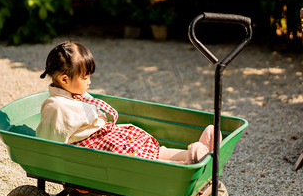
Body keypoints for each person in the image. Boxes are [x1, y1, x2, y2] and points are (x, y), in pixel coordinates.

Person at [36, 41, 217, 164]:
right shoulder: (56, 107)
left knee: (146, 147)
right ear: (65, 80)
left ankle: (193, 153)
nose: (89, 82)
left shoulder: (74, 92)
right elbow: (49, 142)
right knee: (138, 158)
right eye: (85, 77)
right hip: (94, 149)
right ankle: (186, 165)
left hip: (104, 137)